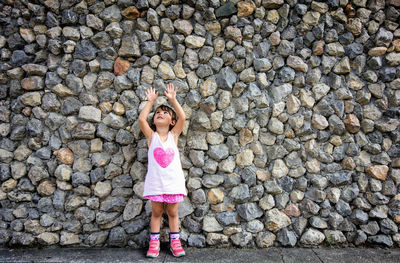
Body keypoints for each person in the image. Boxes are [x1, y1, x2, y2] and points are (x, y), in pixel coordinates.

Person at [138, 82, 187, 258]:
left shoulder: (174, 136)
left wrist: (173, 100)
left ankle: (175, 241)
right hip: (156, 183)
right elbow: (141, 119)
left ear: (171, 121)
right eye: (158, 113)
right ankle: (154, 242)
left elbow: (183, 118)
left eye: (165, 113)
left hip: (173, 183)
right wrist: (150, 102)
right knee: (157, 212)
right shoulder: (152, 137)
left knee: (173, 212)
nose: (160, 114)